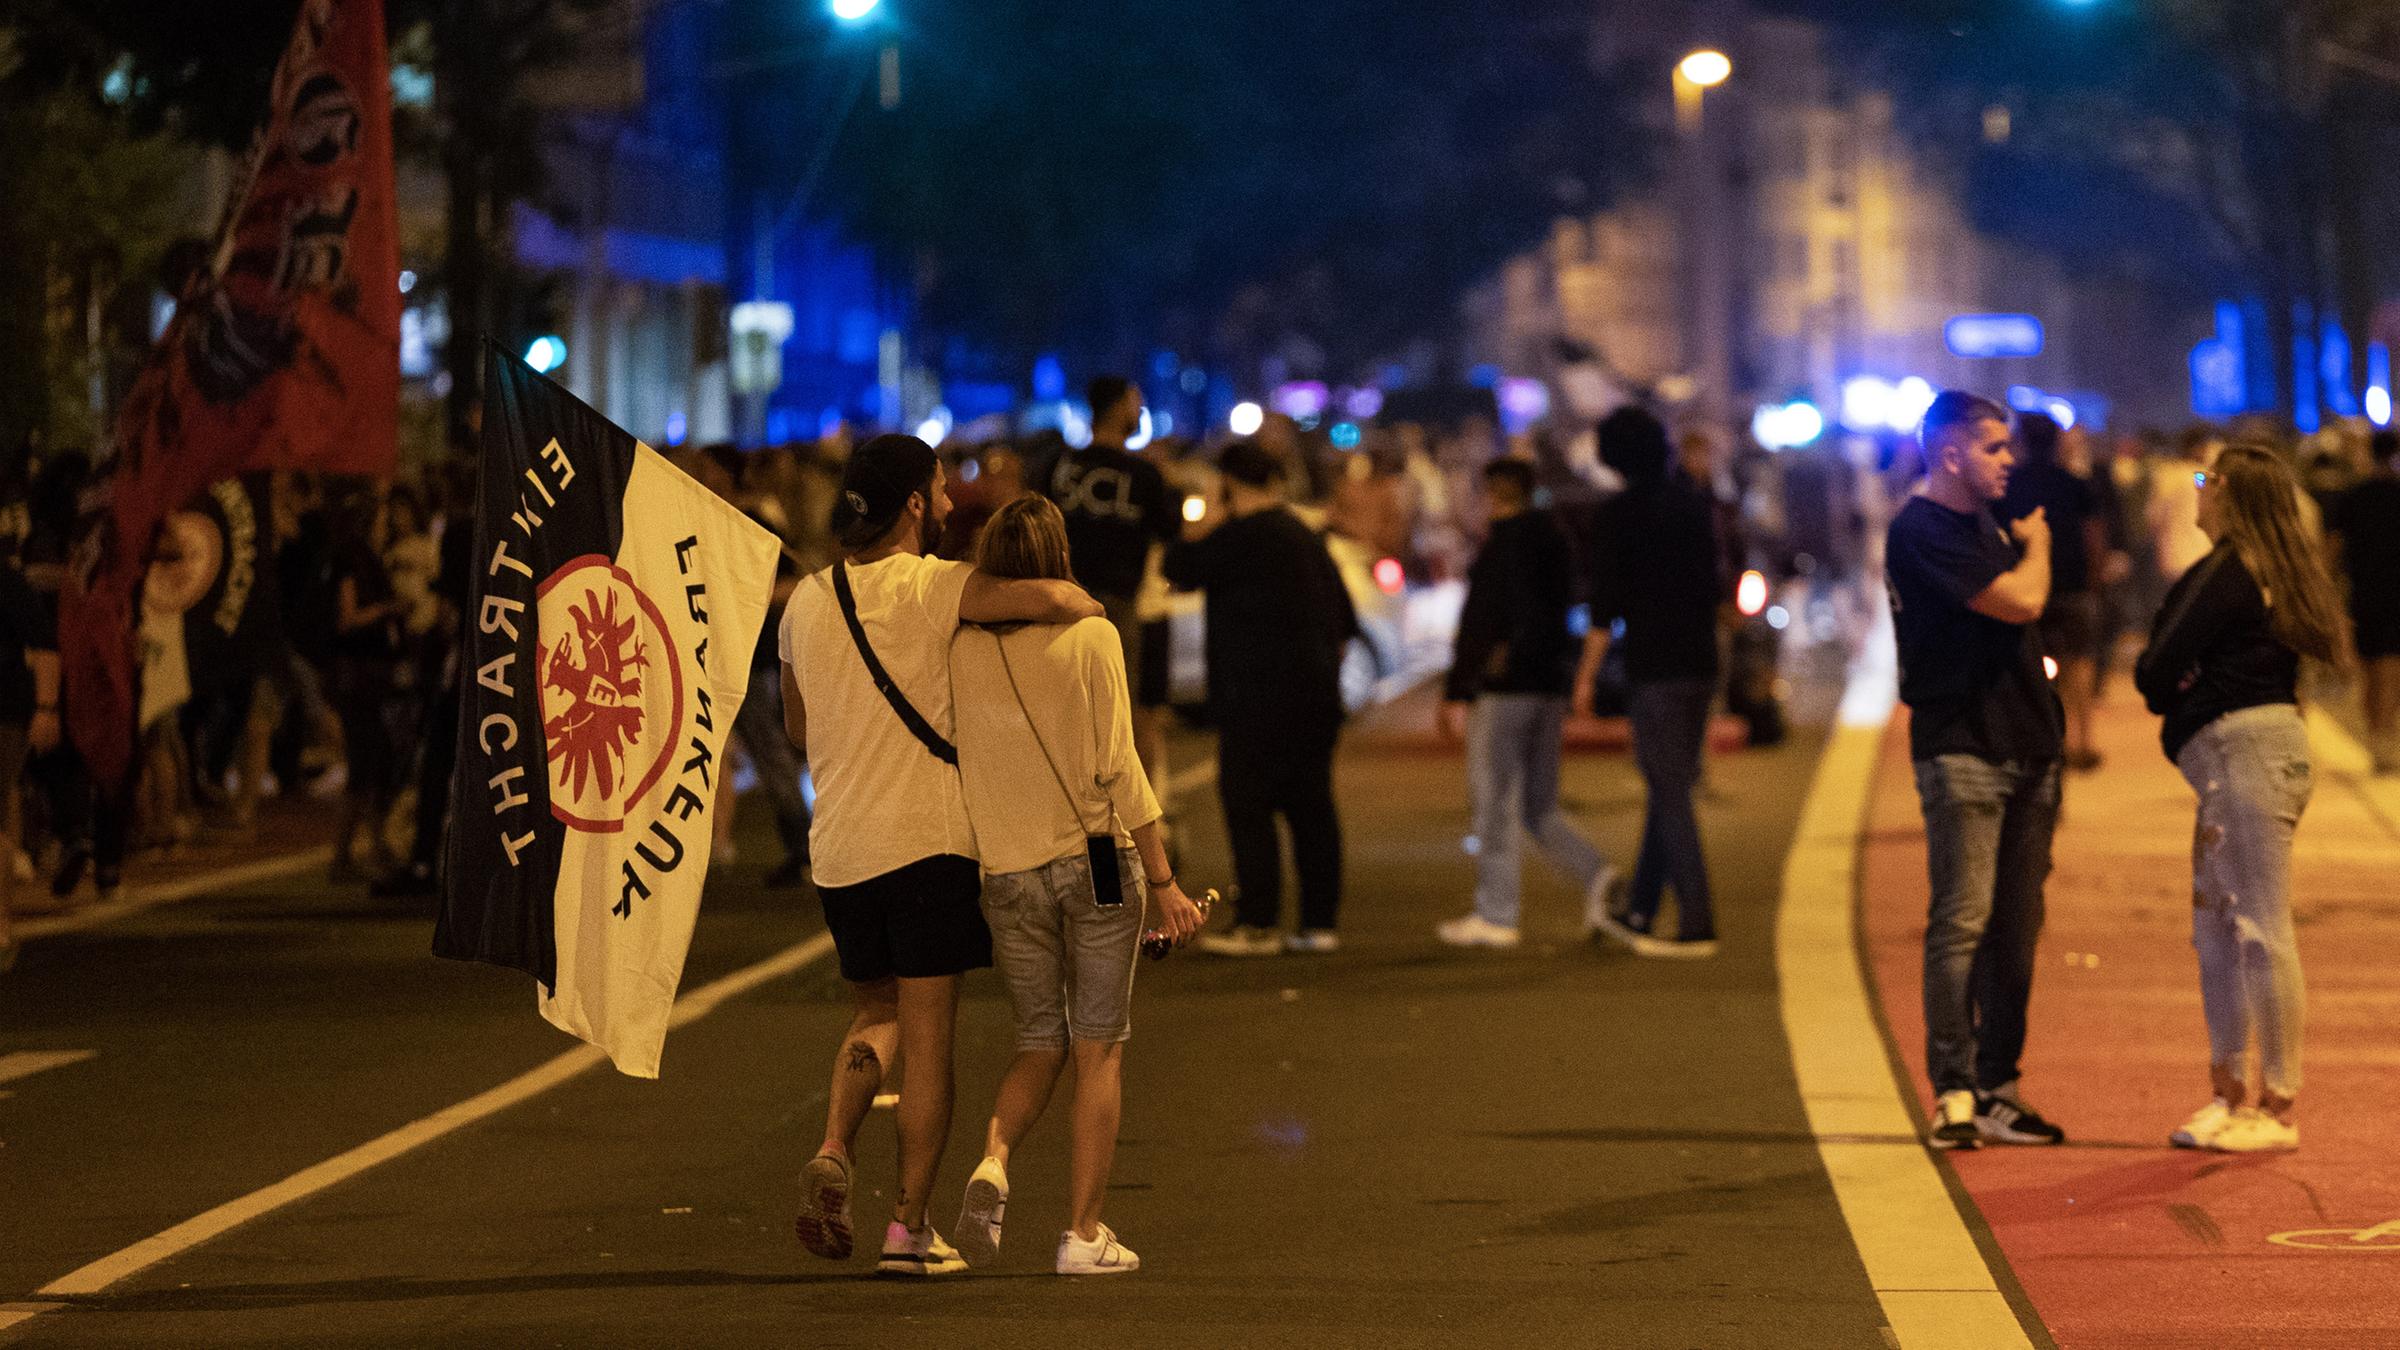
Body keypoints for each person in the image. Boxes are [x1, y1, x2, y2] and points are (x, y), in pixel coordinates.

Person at [779, 434, 1101, 1278]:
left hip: (840, 850)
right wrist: (1084, 605)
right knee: (927, 1039)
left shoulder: (806, 603)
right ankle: (908, 1229)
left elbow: (798, 728)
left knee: (873, 1015)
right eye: (940, 488)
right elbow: (1045, 599)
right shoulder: (935, 588)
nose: (954, 502)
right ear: (915, 504)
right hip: (927, 845)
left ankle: (834, 1145)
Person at [945, 496, 1205, 1276]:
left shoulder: (959, 645)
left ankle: (993, 1160)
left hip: (1006, 871)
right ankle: (1084, 1235)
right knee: (1100, 1049)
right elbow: (1119, 765)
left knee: (1036, 1039)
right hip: (1093, 863)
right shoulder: (1091, 635)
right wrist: (1164, 881)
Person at [2137, 445, 2349, 1153]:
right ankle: (2230, 1093)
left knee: (2257, 928)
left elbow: (2156, 664)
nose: (2195, 493)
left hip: (2246, 757)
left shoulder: (2229, 570)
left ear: (2226, 493)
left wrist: (2180, 684)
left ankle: (2277, 1106)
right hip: (2246, 756)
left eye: (2204, 482)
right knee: (2221, 933)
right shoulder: (2274, 569)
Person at [1883, 390, 2068, 1149]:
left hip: (2029, 748)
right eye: (1994, 448)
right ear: (1951, 453)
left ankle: (2000, 1085)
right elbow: (2020, 603)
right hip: (1963, 749)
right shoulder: (1923, 530)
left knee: (2016, 929)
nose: (2008, 461)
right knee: (1961, 923)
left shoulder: (1983, 521)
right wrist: (2040, 546)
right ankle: (1953, 1089)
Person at [1166, 440, 1359, 956]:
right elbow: (1346, 619)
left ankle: (1258, 922)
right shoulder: (1304, 535)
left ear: (1228, 483)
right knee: (1312, 808)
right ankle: (1320, 924)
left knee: (1248, 806)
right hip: (1314, 695)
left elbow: (1179, 566)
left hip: (1254, 697)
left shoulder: (1235, 537)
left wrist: (1206, 515)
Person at [1435, 459, 1618, 949]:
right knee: (1540, 805)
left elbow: (1480, 622)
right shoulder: (1555, 541)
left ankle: (1497, 914)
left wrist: (1457, 689)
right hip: (1548, 686)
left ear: (1495, 494)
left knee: (1492, 801)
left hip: (1504, 689)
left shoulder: (1500, 548)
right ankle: (1597, 874)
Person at [1577, 407, 1722, 959]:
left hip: (1654, 664)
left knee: (1669, 790)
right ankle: (1639, 909)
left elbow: (1605, 604)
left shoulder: (1618, 514)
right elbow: (1714, 583)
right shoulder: (1692, 503)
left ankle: (1697, 922)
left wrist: (1587, 677)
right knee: (1671, 786)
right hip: (1700, 661)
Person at [1042, 378, 1181, 802]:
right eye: (1136, 403)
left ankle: (1071, 807)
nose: (1140, 412)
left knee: (1065, 713)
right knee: (1126, 714)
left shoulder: (1059, 466)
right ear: (1119, 407)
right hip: (1116, 608)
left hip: (1055, 602)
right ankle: (1132, 817)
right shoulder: (1142, 474)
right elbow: (1171, 531)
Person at [2001, 412, 2106, 772]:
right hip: (2074, 585)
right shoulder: (2074, 483)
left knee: (2026, 668)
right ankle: (2084, 741)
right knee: (2080, 661)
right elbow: (2093, 534)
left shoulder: (2009, 485)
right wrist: (2094, 579)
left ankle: (2039, 743)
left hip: (2026, 590)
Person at [2328, 429, 2400, 773]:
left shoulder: (2354, 496)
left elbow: (2335, 546)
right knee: (2389, 668)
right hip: (2394, 592)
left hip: (2363, 592)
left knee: (2371, 669)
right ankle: (2383, 740)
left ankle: (2376, 734)